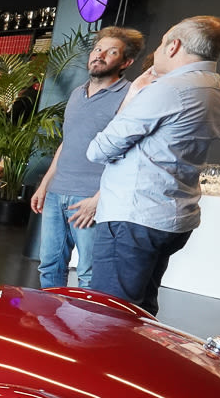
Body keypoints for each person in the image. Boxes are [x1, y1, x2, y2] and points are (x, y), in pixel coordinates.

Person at [87, 16, 220, 315]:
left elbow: (99, 149)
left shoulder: (168, 89)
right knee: (140, 311)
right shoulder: (217, 88)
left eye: (162, 43)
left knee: (110, 315)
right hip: (170, 215)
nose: (158, 51)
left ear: (174, 46)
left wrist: (133, 96)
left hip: (134, 217)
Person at [29, 26, 142, 289]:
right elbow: (67, 142)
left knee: (89, 273)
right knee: (49, 266)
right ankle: (52, 314)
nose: (99, 55)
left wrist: (98, 200)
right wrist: (45, 185)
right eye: (97, 49)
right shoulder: (77, 93)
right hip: (57, 193)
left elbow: (131, 155)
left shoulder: (130, 96)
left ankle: (83, 318)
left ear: (126, 62)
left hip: (91, 197)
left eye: (111, 52)